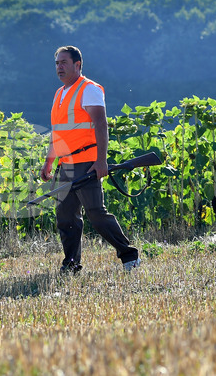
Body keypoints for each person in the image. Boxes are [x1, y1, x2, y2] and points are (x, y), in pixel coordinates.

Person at [39, 45, 140, 273]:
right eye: (57, 63)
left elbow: (101, 125)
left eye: (64, 62)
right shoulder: (59, 93)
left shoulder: (89, 89)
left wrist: (101, 161)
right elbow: (58, 133)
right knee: (65, 216)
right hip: (65, 165)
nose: (59, 67)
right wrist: (49, 162)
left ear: (78, 65)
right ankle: (71, 264)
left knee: (96, 213)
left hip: (86, 162)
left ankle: (129, 255)